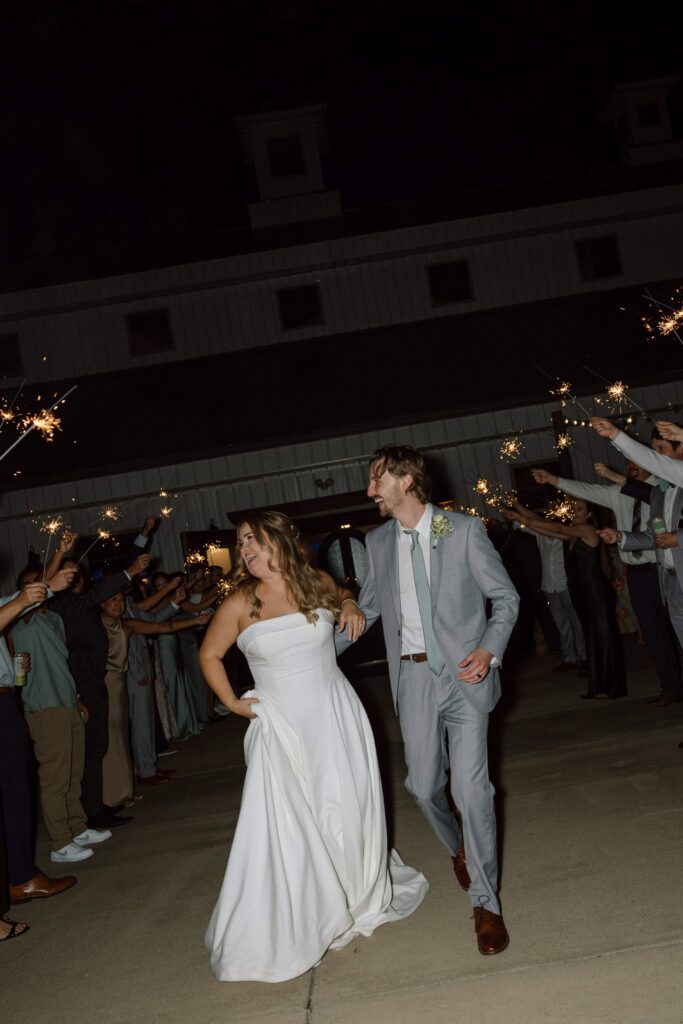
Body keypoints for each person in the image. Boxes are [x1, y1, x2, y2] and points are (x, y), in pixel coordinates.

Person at [199, 511, 428, 982]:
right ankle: (309, 908)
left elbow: (343, 594)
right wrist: (232, 704)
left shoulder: (315, 582)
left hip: (334, 713)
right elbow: (210, 654)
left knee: (345, 804)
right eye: (240, 543)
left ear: (279, 541)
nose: (244, 549)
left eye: (252, 540)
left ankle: (352, 891)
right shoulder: (241, 601)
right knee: (291, 821)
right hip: (280, 723)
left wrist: (348, 604)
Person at [341, 445, 519, 956]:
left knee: (473, 790)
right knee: (422, 787)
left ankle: (487, 905)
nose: (370, 490)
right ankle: (459, 848)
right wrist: (310, 654)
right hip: (414, 679)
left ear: (405, 481)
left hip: (465, 677)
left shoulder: (461, 530)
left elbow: (505, 599)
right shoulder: (375, 542)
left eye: (377, 479)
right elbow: (369, 611)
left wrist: (489, 649)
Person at [532, 461, 682, 707]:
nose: (631, 465)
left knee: (677, 628)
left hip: (662, 568)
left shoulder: (663, 489)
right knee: (653, 632)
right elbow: (587, 490)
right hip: (635, 572)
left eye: (637, 460)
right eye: (628, 462)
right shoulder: (617, 493)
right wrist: (552, 480)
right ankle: (671, 686)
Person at [11, 567, 113, 864]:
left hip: (66, 701)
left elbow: (62, 662)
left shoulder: (53, 618)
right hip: (44, 706)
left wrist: (77, 697)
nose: (37, 588)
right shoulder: (22, 620)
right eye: (30, 585)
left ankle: (76, 828)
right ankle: (59, 843)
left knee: (73, 771)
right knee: (55, 777)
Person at [506, 496, 627, 701]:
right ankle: (598, 686)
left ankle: (612, 686)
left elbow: (558, 528)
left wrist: (523, 518)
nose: (574, 511)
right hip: (583, 592)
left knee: (603, 638)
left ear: (588, 514)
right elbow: (547, 529)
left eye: (579, 509)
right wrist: (520, 513)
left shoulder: (587, 529)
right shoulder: (573, 535)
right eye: (573, 508)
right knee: (592, 638)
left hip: (596, 591)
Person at [99, 592, 211, 807]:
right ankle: (127, 783)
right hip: (114, 682)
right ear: (101, 602)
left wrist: (194, 619)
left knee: (140, 724)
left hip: (124, 679)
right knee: (122, 734)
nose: (119, 604)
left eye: (121, 600)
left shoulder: (128, 619)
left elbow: (160, 626)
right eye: (113, 600)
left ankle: (141, 772)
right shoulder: (97, 625)